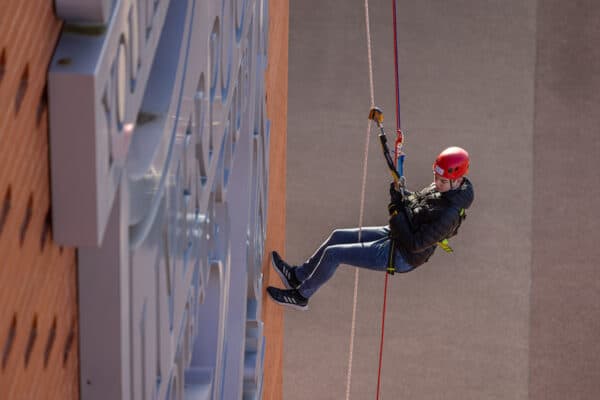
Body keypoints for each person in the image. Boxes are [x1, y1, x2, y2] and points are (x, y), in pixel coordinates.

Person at [266, 146, 475, 310]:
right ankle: (297, 276)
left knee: (334, 254)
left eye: (442, 181)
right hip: (398, 234)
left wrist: (396, 211)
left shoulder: (449, 215)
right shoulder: (444, 190)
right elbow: (418, 204)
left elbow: (416, 243)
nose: (436, 183)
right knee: (337, 236)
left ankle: (301, 296)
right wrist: (402, 194)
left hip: (403, 255)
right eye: (435, 178)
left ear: (457, 180)